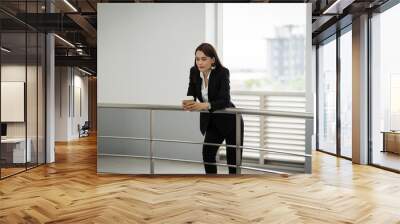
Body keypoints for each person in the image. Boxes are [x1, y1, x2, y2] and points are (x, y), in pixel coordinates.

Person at [182, 43, 244, 174]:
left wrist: (204, 105)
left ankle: (234, 189)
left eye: (204, 59)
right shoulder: (194, 72)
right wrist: (188, 102)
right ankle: (212, 185)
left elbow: (225, 100)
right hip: (212, 121)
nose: (200, 62)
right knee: (208, 154)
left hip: (231, 121)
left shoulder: (222, 72)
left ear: (213, 60)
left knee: (233, 161)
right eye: (197, 59)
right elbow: (191, 93)